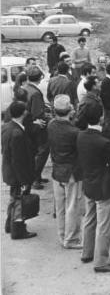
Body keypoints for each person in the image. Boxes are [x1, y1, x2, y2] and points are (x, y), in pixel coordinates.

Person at [77, 103, 110, 273]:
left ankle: (87, 252)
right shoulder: (104, 141)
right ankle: (101, 260)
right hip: (104, 184)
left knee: (89, 218)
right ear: (101, 117)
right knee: (105, 224)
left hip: (88, 181)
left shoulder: (80, 136)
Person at [47, 95, 83, 249]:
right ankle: (71, 239)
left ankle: (62, 236)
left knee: (61, 207)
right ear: (69, 110)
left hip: (57, 169)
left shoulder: (51, 125)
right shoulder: (75, 132)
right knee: (72, 206)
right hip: (71, 172)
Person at [2, 101, 37, 240]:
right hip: (18, 174)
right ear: (24, 113)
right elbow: (18, 160)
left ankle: (9, 224)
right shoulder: (17, 133)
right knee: (19, 202)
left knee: (14, 198)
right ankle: (18, 229)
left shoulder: (7, 127)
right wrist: (24, 180)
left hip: (9, 171)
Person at [23, 67, 51, 190]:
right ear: (40, 78)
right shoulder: (35, 93)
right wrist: (48, 116)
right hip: (37, 126)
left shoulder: (25, 89)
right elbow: (38, 113)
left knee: (34, 151)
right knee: (43, 151)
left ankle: (36, 176)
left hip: (27, 125)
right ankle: (35, 178)